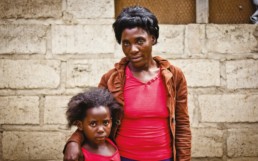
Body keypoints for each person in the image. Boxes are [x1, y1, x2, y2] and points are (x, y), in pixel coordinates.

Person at [64, 6, 191, 161]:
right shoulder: (111, 79)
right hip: (124, 158)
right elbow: (91, 116)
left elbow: (182, 125)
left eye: (140, 41)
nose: (133, 49)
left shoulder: (174, 76)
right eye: (126, 43)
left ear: (153, 38)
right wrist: (73, 142)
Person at [65, 88, 122, 161]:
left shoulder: (111, 143)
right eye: (93, 124)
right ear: (80, 125)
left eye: (106, 122)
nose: (101, 130)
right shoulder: (80, 155)